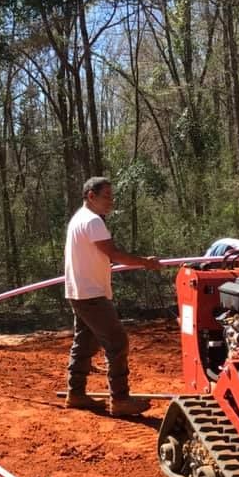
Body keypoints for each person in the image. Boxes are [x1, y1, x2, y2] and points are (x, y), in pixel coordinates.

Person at [64, 176, 162, 416]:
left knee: (84, 343)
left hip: (79, 292)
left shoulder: (79, 218)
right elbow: (113, 254)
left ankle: (76, 393)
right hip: (92, 294)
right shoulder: (92, 221)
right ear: (91, 196)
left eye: (111, 196)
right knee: (117, 343)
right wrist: (145, 262)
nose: (111, 201)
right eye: (106, 196)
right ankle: (120, 399)